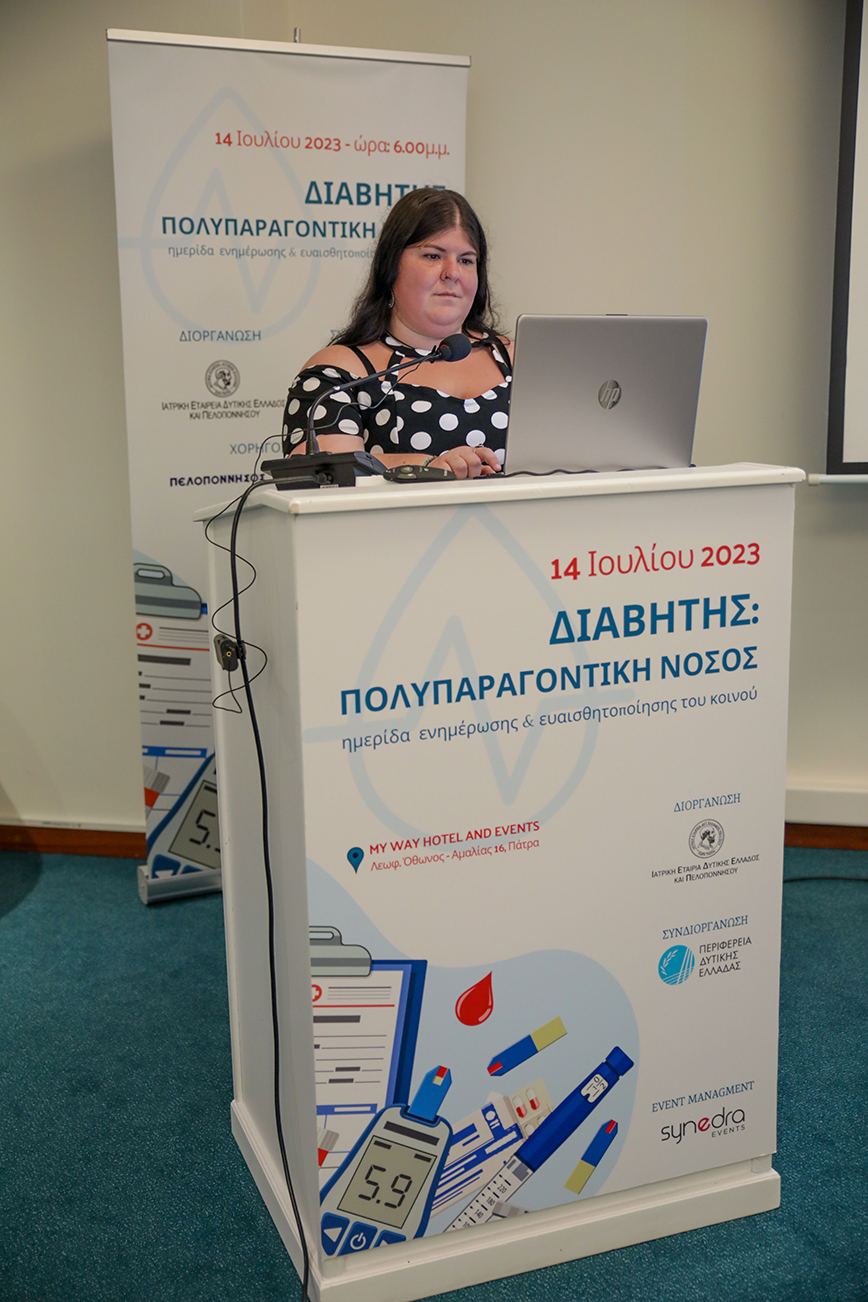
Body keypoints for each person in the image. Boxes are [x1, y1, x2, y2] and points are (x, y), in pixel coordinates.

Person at [282, 188, 511, 479]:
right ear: (390, 267)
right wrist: (426, 466)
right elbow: (325, 474)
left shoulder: (521, 359)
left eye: (466, 260)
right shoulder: (339, 372)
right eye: (433, 256)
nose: (452, 272)